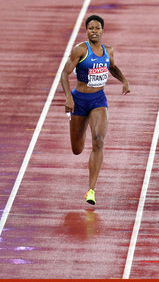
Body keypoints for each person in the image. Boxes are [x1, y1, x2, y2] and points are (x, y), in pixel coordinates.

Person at [60, 15, 130, 205]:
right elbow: (64, 74)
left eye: (97, 28)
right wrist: (68, 96)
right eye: (90, 28)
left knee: (98, 140)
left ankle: (91, 190)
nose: (94, 31)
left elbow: (112, 68)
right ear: (86, 31)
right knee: (77, 149)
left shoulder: (108, 51)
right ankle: (73, 120)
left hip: (98, 99)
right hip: (79, 100)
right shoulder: (80, 50)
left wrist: (123, 80)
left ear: (102, 30)